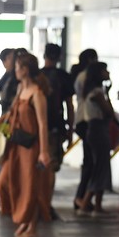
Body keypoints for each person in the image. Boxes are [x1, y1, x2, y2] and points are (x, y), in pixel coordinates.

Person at [0, 52, 52, 237]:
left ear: (25, 70)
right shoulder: (20, 89)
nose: (15, 71)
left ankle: (31, 226)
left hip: (31, 146)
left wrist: (44, 151)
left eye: (18, 67)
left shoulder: (37, 94)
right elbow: (12, 112)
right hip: (16, 144)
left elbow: (43, 124)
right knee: (6, 180)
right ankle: (24, 220)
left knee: (30, 185)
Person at [40, 43, 75, 219]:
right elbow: (69, 105)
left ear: (44, 55)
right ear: (59, 57)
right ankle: (47, 204)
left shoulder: (36, 75)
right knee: (51, 167)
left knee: (39, 168)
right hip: (55, 128)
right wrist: (70, 130)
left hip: (36, 130)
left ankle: (39, 203)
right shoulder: (63, 77)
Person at [75, 61, 114, 216]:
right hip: (98, 130)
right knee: (100, 166)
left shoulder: (88, 91)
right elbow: (109, 111)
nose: (108, 72)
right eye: (105, 70)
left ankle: (96, 205)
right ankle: (86, 203)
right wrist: (108, 94)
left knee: (101, 165)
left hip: (93, 130)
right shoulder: (97, 93)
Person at [70, 48, 99, 210]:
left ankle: (83, 197)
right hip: (86, 120)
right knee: (90, 162)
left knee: (89, 161)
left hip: (81, 119)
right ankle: (81, 198)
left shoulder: (79, 75)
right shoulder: (86, 77)